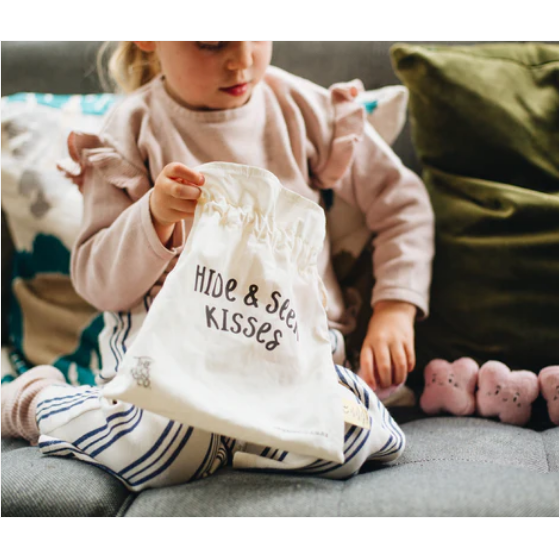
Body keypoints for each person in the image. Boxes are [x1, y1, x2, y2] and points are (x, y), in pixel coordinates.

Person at [1, 41, 434, 490]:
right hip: (169, 348)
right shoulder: (129, 129)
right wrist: (155, 217)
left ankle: (226, 438)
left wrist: (394, 309)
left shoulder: (305, 109)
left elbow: (402, 203)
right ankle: (35, 400)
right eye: (212, 42)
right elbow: (98, 283)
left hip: (285, 344)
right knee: (162, 449)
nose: (241, 60)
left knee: (358, 436)